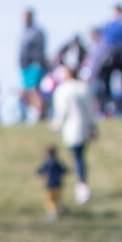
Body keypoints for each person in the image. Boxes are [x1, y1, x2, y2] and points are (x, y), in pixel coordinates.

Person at [50, 61, 97, 203]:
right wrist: (92, 126)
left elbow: (61, 110)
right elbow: (91, 109)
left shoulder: (64, 90)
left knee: (76, 157)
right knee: (79, 156)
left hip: (71, 128)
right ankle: (81, 183)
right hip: (84, 127)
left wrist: (56, 124)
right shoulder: (84, 88)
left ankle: (81, 185)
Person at [17, 11, 48, 119]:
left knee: (34, 91)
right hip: (24, 67)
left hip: (33, 66)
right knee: (25, 93)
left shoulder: (37, 32)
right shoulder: (25, 32)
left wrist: (37, 64)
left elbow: (40, 50)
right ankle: (40, 112)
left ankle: (42, 113)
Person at [35, 142, 66, 220]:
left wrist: (38, 173)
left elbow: (41, 170)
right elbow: (64, 170)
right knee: (57, 197)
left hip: (50, 184)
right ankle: (62, 207)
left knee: (49, 200)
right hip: (58, 184)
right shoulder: (57, 162)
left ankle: (53, 213)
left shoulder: (48, 163)